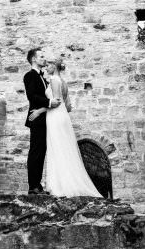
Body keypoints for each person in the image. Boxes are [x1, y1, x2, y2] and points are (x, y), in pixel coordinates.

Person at [28, 59, 102, 197]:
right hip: (60, 116)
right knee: (62, 148)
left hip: (55, 116)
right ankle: (64, 182)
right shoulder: (63, 81)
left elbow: (56, 102)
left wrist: (39, 111)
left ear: (54, 67)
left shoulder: (55, 80)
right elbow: (68, 106)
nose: (46, 67)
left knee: (57, 149)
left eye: (49, 65)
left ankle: (60, 186)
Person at [23, 47, 61, 195]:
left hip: (45, 118)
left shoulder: (43, 77)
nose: (44, 59)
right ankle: (33, 186)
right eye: (41, 56)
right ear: (33, 59)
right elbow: (32, 96)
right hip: (36, 118)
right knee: (35, 151)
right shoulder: (29, 76)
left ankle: (38, 185)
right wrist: (50, 102)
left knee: (42, 151)